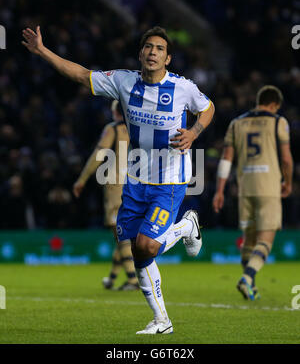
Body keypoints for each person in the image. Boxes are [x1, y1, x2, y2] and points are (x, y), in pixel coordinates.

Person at [22, 25, 215, 334]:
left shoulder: (183, 87)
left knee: (146, 245)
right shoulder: (124, 82)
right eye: (148, 47)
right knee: (133, 249)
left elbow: (207, 108)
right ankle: (161, 320)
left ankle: (185, 226)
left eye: (159, 49)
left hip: (171, 178)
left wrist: (194, 132)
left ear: (168, 58)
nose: (153, 52)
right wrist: (42, 51)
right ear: (141, 53)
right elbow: (81, 75)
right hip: (137, 179)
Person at [213, 85, 293, 300]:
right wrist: (288, 181)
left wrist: (219, 190)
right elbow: (286, 158)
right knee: (265, 239)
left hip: (245, 187)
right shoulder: (278, 121)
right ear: (274, 104)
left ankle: (251, 287)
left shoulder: (236, 123)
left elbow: (226, 160)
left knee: (248, 240)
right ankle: (248, 278)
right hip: (268, 186)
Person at [73, 99, 139, 291]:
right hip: (138, 183)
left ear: (115, 112)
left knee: (120, 233)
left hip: (117, 185)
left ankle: (133, 280)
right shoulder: (139, 128)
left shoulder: (113, 129)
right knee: (122, 233)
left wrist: (82, 179)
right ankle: (112, 278)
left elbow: (98, 154)